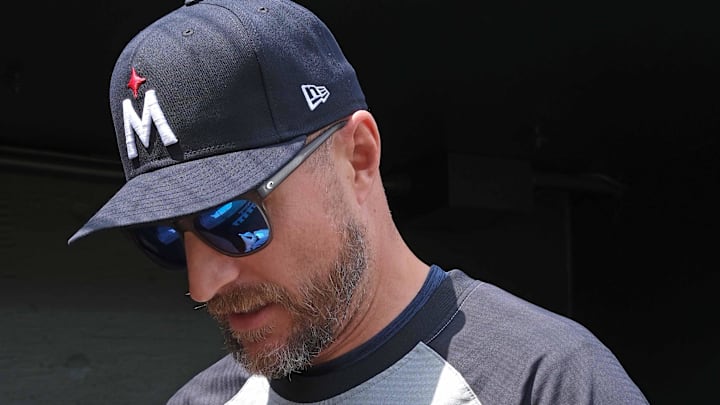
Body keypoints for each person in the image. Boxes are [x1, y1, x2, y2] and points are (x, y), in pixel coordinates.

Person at [68, 0, 650, 403]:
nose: (202, 285)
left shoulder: (544, 383)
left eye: (234, 218)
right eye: (165, 236)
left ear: (359, 156)